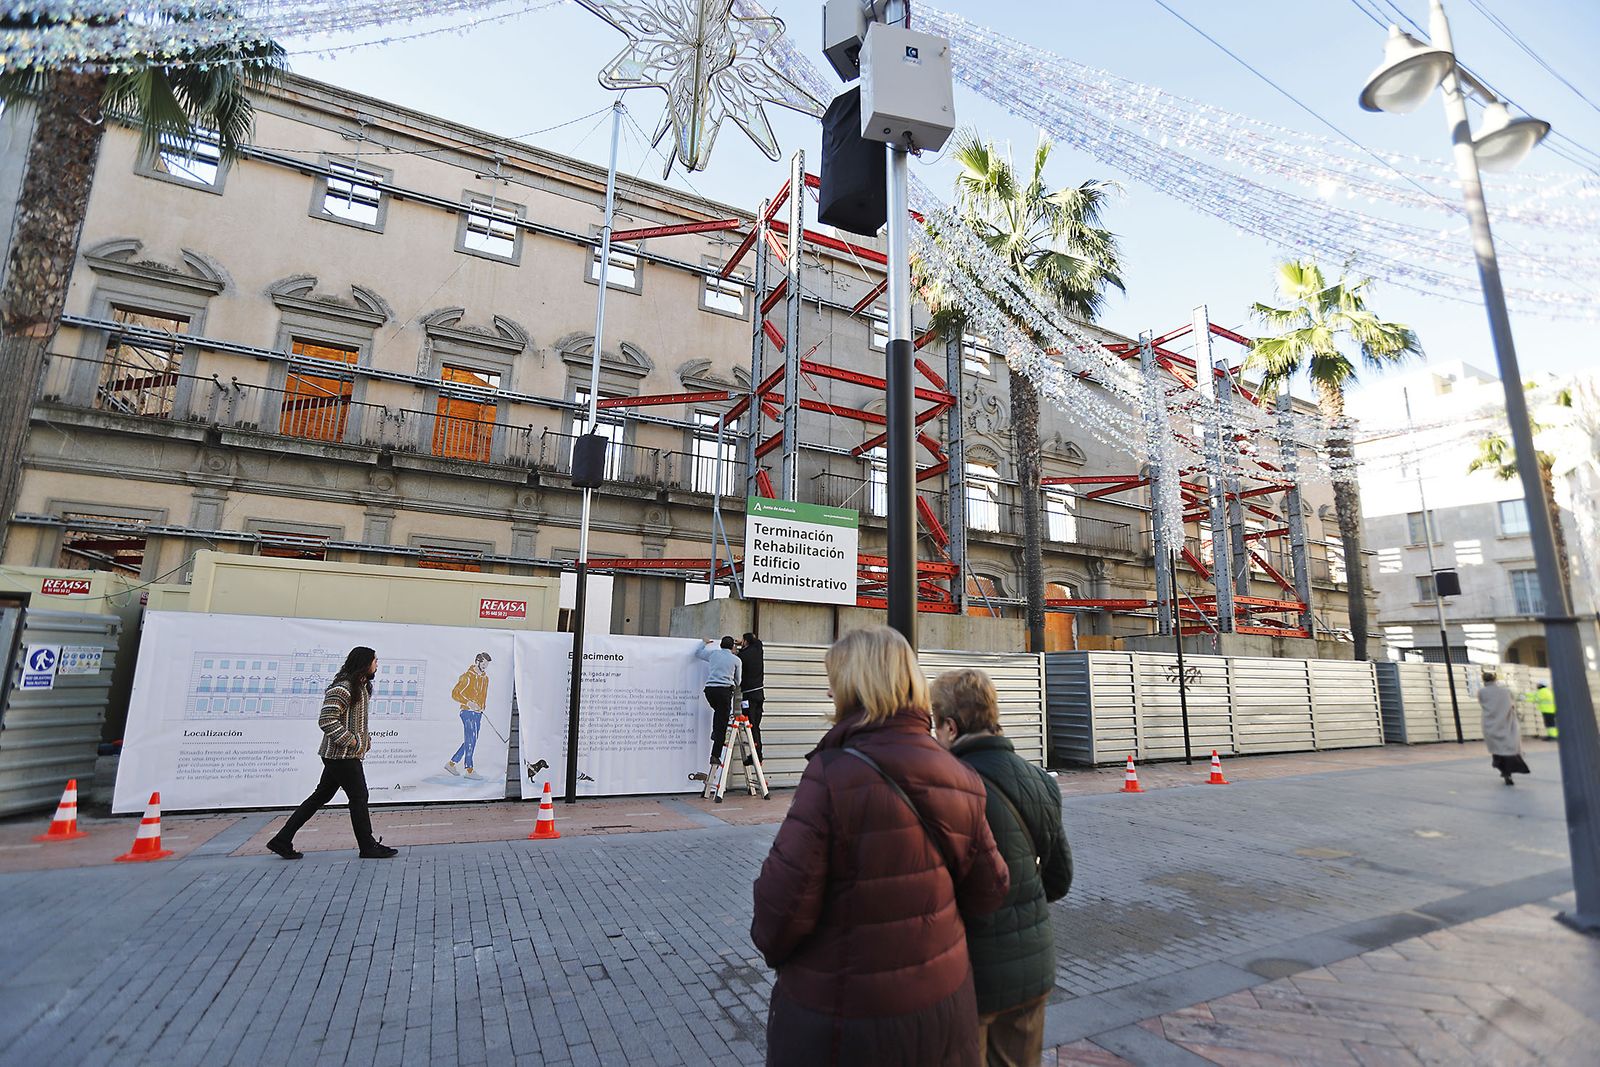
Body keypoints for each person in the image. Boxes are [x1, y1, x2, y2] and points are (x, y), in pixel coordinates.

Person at [751, 626, 1009, 1067]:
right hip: (943, 1004)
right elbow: (991, 890)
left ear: (851, 687)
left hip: (848, 1017)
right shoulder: (960, 774)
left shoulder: (832, 774)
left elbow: (779, 911)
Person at [931, 669, 1072, 1067]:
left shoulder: (948, 787)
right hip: (1033, 971)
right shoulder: (1040, 781)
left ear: (952, 727)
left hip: (970, 976)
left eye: (935, 725)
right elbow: (1060, 880)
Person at [268, 646, 398, 860]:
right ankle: (368, 846)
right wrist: (352, 741)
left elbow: (355, 721)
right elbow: (327, 720)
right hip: (340, 756)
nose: (377, 665)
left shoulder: (361, 687)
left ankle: (281, 840)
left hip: (344, 755)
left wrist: (364, 740)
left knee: (320, 797)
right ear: (364, 663)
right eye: (375, 661)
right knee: (359, 797)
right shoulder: (343, 688)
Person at [696, 636, 742, 771]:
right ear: (733, 647)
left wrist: (703, 643)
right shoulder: (736, 660)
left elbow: (698, 653)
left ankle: (715, 733)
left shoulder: (714, 654)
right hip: (724, 692)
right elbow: (738, 680)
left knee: (719, 714)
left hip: (709, 691)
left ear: (721, 645)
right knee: (722, 723)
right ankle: (715, 755)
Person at [1478, 671, 1531, 786]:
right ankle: (1510, 771)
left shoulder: (1482, 692)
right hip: (1507, 722)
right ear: (1495, 679)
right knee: (1509, 747)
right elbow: (1512, 704)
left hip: (1490, 723)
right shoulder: (1506, 691)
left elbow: (1482, 704)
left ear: (1483, 680)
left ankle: (1504, 772)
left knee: (1497, 749)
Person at [445, 651, 493, 779]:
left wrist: (482, 707)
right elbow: (455, 693)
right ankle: (469, 769)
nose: (485, 667)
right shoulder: (467, 676)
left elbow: (483, 695)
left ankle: (452, 763)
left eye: (487, 664)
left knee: (471, 740)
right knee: (471, 739)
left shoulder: (485, 678)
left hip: (478, 713)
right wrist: (468, 702)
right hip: (467, 712)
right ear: (477, 662)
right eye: (483, 664)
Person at [735, 631, 765, 762]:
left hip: (749, 695)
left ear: (745, 642)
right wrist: (744, 642)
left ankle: (756, 755)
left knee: (750, 725)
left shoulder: (743, 656)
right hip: (760, 694)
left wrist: (738, 647)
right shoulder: (758, 649)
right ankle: (758, 753)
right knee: (756, 726)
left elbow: (738, 656)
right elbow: (757, 641)